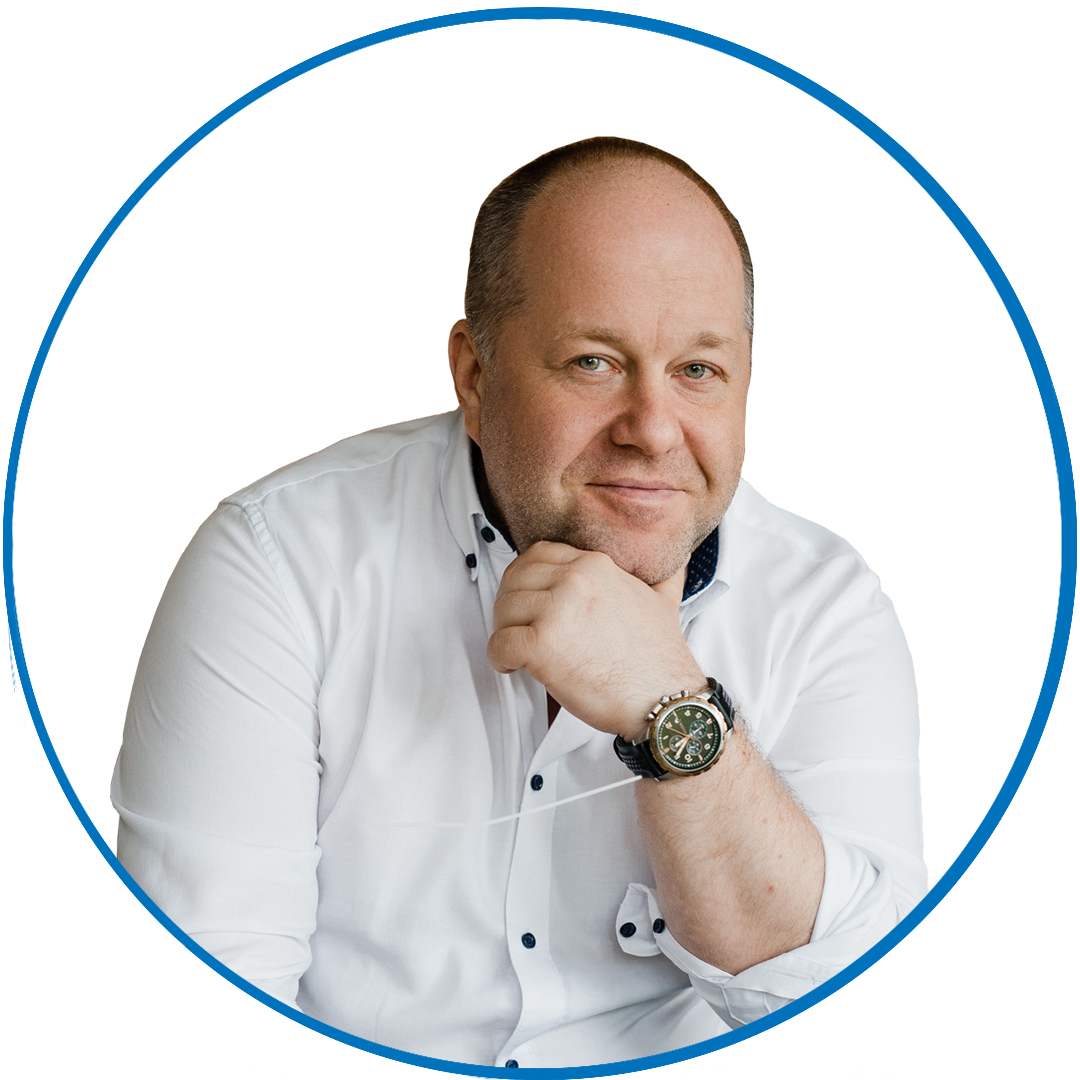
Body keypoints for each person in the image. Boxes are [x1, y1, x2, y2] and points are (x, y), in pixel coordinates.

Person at [113, 137, 925, 1068]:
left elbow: (863, 1018)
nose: (653, 429)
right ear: (474, 373)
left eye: (698, 370)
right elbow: (203, 1010)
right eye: (593, 362)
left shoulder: (826, 611)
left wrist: (672, 705)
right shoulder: (279, 563)